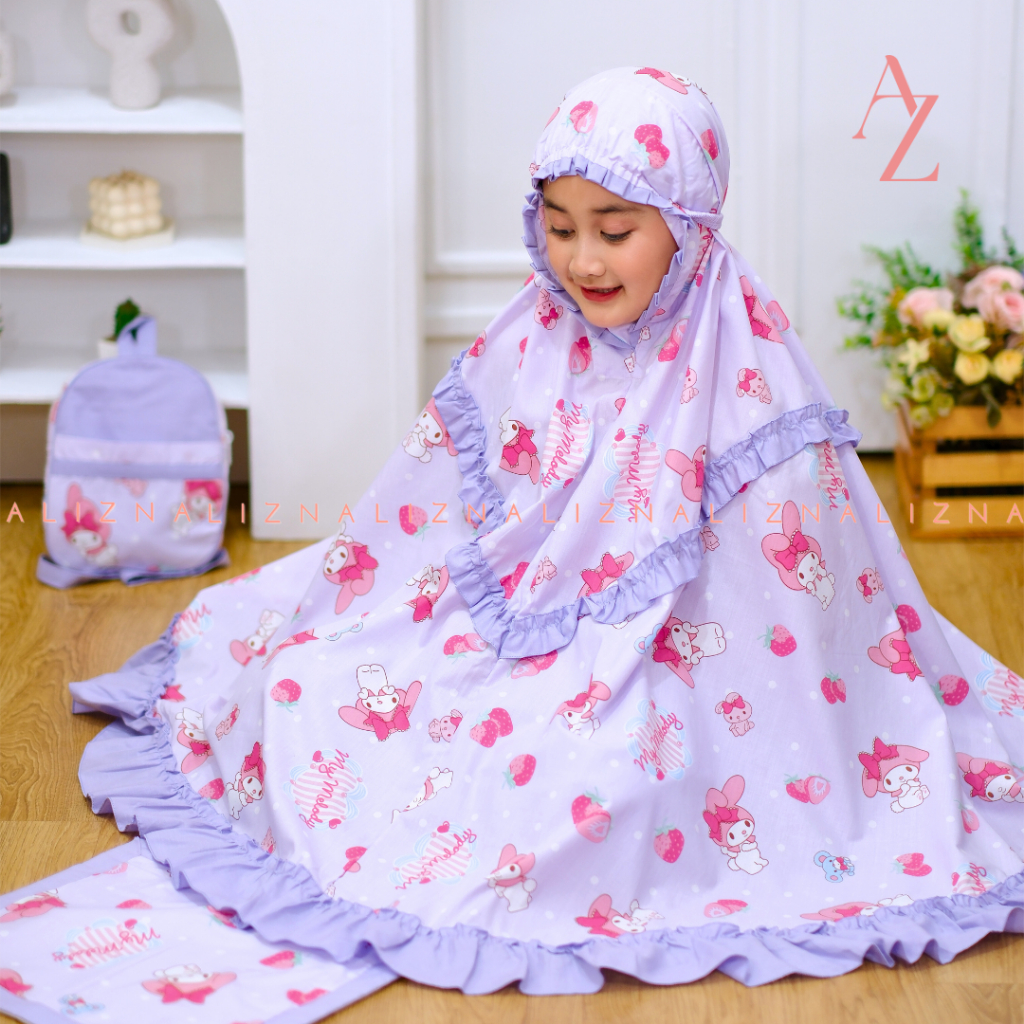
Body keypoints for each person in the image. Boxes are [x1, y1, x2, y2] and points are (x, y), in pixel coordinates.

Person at [53, 67, 1024, 1003]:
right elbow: (438, 500)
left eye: (615, 230)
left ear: (687, 225)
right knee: (318, 678)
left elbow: (804, 587)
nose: (583, 260)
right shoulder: (540, 331)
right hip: (530, 609)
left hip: (715, 659)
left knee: (604, 783)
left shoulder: (747, 366)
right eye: (559, 228)